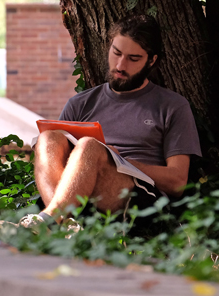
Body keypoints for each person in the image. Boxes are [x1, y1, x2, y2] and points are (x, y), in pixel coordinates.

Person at [28, 14, 201, 225]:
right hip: (80, 192)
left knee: (90, 146)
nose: (120, 65)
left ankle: (49, 223)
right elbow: (57, 165)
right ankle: (62, 223)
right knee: (48, 138)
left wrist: (116, 161)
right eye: (116, 53)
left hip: (139, 198)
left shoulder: (172, 106)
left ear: (152, 60)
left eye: (133, 59)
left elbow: (177, 182)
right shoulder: (80, 103)